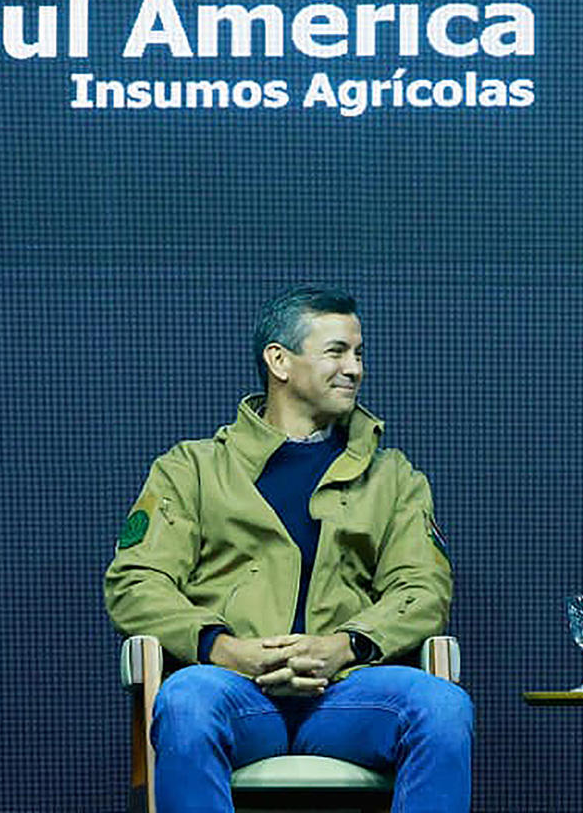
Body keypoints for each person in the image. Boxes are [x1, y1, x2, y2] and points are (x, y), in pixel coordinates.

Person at [104, 285, 471, 813]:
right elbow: (135, 581)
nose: (355, 368)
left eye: (359, 353)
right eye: (336, 351)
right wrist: (227, 650)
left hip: (346, 693)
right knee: (185, 701)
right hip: (234, 691)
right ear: (279, 361)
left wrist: (343, 647)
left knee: (441, 706)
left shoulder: (392, 477)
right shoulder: (193, 469)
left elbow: (422, 587)